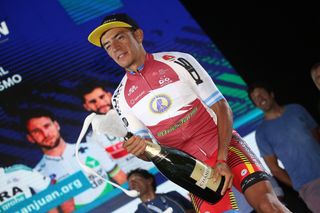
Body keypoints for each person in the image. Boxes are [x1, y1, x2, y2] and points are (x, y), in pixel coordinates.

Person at [87, 13, 290, 213]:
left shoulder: (179, 61)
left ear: (138, 35)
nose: (115, 47)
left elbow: (221, 107)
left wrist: (221, 158)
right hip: (194, 171)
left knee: (267, 204)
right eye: (107, 45)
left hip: (225, 148)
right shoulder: (119, 98)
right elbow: (147, 152)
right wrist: (138, 149)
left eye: (120, 37)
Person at [22, 108, 127, 210]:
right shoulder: (37, 174)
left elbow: (122, 179)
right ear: (30, 138)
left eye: (47, 126)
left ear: (56, 125)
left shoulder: (92, 148)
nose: (45, 134)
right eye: (36, 131)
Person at [247, 81, 320, 212]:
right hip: (309, 187)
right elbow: (274, 169)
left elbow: (316, 136)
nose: (260, 99)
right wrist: (299, 186)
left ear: (271, 94)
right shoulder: (262, 133)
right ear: (255, 105)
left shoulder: (296, 109)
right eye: (255, 98)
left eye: (261, 94)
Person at [77, 81, 153, 173]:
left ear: (109, 95)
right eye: (93, 101)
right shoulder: (92, 138)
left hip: (158, 166)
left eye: (102, 97)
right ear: (86, 106)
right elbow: (113, 170)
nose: (100, 103)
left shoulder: (133, 112)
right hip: (134, 180)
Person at [127, 168, 195, 213]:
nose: (132, 183)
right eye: (130, 182)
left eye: (136, 179)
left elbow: (196, 210)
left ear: (149, 180)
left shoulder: (173, 194)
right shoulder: (139, 212)